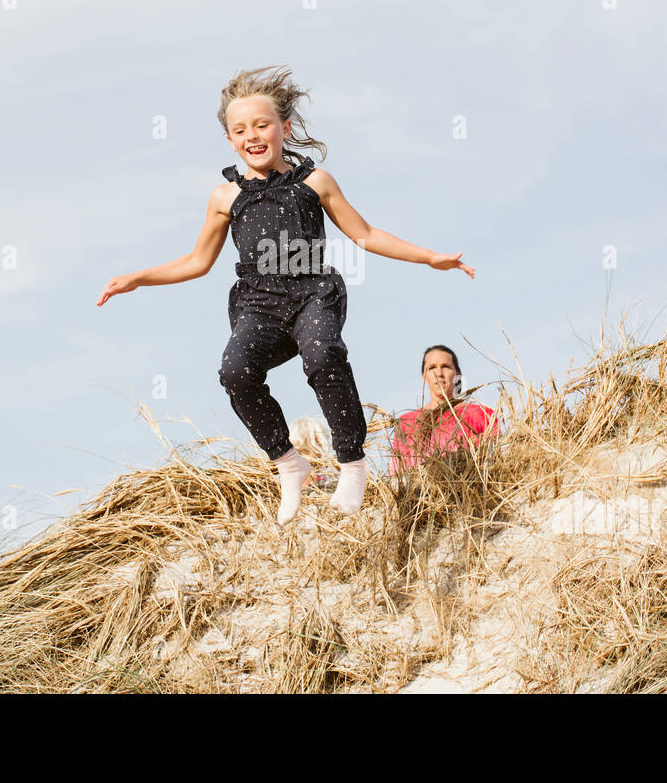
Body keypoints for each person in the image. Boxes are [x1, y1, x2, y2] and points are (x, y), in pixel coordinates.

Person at [97, 65, 475, 526]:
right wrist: (139, 277)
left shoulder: (315, 183)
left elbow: (367, 234)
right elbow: (196, 262)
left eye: (262, 125)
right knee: (235, 372)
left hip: (313, 292)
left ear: (284, 129)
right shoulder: (224, 196)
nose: (252, 136)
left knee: (323, 355)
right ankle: (290, 464)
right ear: (230, 139)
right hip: (259, 304)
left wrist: (430, 257)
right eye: (240, 130)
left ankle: (351, 462)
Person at [390, 345, 499, 475]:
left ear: (457, 374)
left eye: (446, 366)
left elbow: (497, 459)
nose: (439, 373)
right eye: (432, 368)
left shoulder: (480, 414)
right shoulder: (405, 423)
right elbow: (396, 474)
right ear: (424, 376)